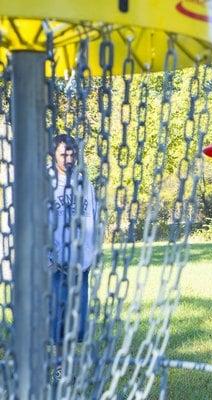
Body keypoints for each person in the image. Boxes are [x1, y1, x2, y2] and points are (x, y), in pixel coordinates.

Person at [48, 134, 96, 360]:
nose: (68, 158)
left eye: (72, 153)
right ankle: (59, 370)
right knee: (58, 322)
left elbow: (93, 218)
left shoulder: (85, 183)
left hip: (81, 265)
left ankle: (66, 367)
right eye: (63, 154)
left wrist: (93, 251)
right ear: (53, 155)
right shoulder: (46, 184)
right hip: (55, 265)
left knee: (76, 324)